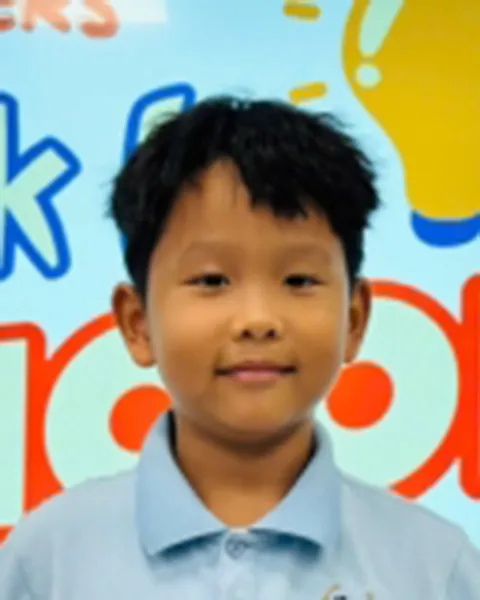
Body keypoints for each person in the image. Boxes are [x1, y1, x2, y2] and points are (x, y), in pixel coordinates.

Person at [1, 97, 479, 599]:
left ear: (354, 319)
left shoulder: (433, 569)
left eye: (299, 280)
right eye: (212, 280)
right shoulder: (49, 561)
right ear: (138, 324)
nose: (258, 320)